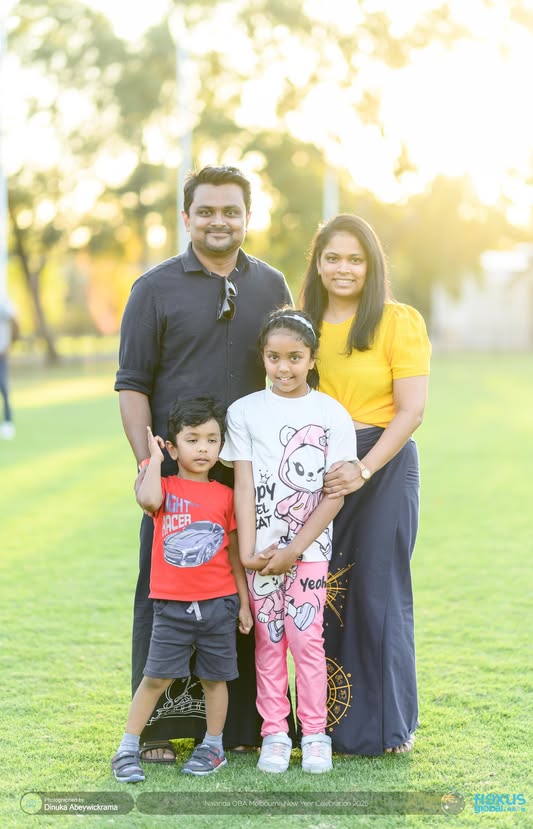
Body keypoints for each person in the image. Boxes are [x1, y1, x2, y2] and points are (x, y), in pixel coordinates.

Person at [114, 165, 292, 761]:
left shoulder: (271, 286)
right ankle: (162, 732)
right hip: (176, 475)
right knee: (164, 594)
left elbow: (290, 368)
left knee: (241, 590)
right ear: (186, 217)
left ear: (248, 217)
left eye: (232, 211)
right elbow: (133, 384)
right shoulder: (154, 288)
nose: (220, 221)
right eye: (207, 211)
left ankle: (239, 727)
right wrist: (148, 466)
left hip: (246, 472)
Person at [300, 214, 431, 756]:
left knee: (378, 596)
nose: (344, 268)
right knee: (323, 595)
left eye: (356, 258)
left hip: (382, 467)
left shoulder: (398, 321)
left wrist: (365, 467)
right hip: (319, 472)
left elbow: (412, 411)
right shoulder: (301, 322)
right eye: (333, 257)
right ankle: (322, 724)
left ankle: (386, 729)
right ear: (318, 264)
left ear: (371, 264)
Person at [220, 308, 358, 774]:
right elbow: (242, 484)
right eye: (274, 357)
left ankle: (315, 734)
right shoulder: (244, 412)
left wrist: (295, 550)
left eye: (295, 358)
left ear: (312, 358)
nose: (284, 368)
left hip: (309, 554)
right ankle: (275, 733)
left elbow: (334, 496)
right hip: (259, 556)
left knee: (306, 641)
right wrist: (245, 552)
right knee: (268, 640)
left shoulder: (331, 414)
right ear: (263, 356)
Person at [111, 397, 253, 782]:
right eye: (192, 440)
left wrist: (242, 603)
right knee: (155, 677)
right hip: (171, 606)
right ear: (173, 447)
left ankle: (213, 746)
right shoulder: (166, 488)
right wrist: (154, 462)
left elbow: (236, 554)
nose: (203, 448)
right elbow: (148, 499)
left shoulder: (225, 496)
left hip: (218, 604)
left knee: (214, 678)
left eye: (211, 439)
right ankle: (127, 747)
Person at [0, 294, 19, 440]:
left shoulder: (3, 303)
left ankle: (8, 422)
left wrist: (11, 344)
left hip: (1, 355)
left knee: (4, 388)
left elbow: (15, 321)